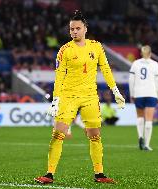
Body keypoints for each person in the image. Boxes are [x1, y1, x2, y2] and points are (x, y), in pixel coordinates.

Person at [34, 10, 125, 184]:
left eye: (77, 28)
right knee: (58, 133)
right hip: (68, 96)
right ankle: (49, 174)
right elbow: (59, 76)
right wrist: (55, 100)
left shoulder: (96, 46)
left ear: (85, 29)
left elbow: (105, 69)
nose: (74, 31)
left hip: (90, 96)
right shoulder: (64, 50)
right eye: (71, 29)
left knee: (95, 135)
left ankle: (99, 174)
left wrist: (115, 91)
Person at [129, 45, 158, 151]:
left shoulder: (135, 63)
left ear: (141, 53)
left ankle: (140, 137)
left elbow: (131, 80)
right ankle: (146, 144)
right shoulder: (155, 64)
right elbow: (157, 82)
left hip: (138, 93)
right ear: (150, 53)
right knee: (149, 120)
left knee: (140, 117)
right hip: (151, 93)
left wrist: (132, 94)